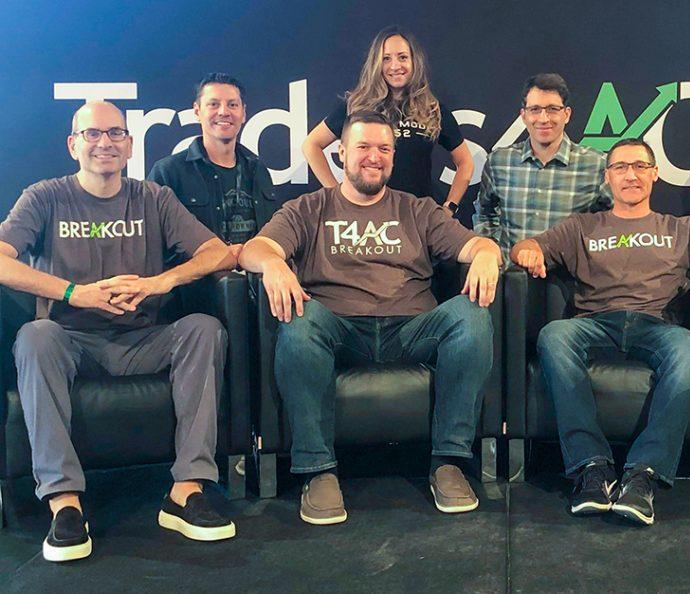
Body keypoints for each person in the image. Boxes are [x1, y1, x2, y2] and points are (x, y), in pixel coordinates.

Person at [0, 101, 238, 562]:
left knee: (203, 329)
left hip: (143, 340)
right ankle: (63, 502)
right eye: (91, 134)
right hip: (71, 342)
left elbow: (218, 253)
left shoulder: (154, 198)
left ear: (130, 144)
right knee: (34, 336)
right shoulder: (44, 197)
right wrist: (75, 293)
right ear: (74, 144)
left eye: (114, 133)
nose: (104, 142)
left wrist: (159, 282)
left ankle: (186, 490)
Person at [239, 111, 502, 524]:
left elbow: (475, 245)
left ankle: (448, 463)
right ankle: (318, 471)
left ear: (393, 157)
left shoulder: (418, 209)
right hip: (338, 328)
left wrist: (487, 254)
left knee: (471, 316)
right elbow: (254, 249)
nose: (373, 157)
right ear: (341, 152)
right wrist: (273, 264)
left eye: (383, 149)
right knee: (300, 319)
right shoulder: (310, 207)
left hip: (411, 328)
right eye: (363, 147)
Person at [510, 138, 690, 525]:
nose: (631, 175)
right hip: (594, 323)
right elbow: (525, 245)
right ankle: (591, 468)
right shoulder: (582, 226)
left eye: (640, 167)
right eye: (621, 167)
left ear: (655, 175)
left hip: (657, 324)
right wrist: (528, 252)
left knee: (689, 349)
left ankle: (643, 476)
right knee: (554, 336)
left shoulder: (679, 228)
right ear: (608, 177)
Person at [301, 26, 473, 218]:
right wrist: (336, 196)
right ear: (376, 64)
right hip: (366, 217)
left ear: (414, 61)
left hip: (416, 219)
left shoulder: (432, 109)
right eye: (386, 58)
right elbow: (311, 145)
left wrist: (449, 207)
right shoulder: (356, 106)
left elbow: (465, 162)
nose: (395, 66)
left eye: (402, 57)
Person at [475, 73, 611, 255]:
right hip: (511, 276)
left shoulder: (596, 164)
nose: (544, 118)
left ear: (567, 114)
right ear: (523, 116)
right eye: (535, 109)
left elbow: (616, 221)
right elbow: (485, 214)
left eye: (553, 109)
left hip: (570, 279)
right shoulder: (499, 162)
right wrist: (490, 253)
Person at [149, 73, 279, 255]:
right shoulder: (168, 172)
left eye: (232, 104)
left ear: (243, 114)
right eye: (213, 104)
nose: (224, 112)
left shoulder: (258, 170)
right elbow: (152, 245)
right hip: (196, 281)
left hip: (255, 280)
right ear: (197, 111)